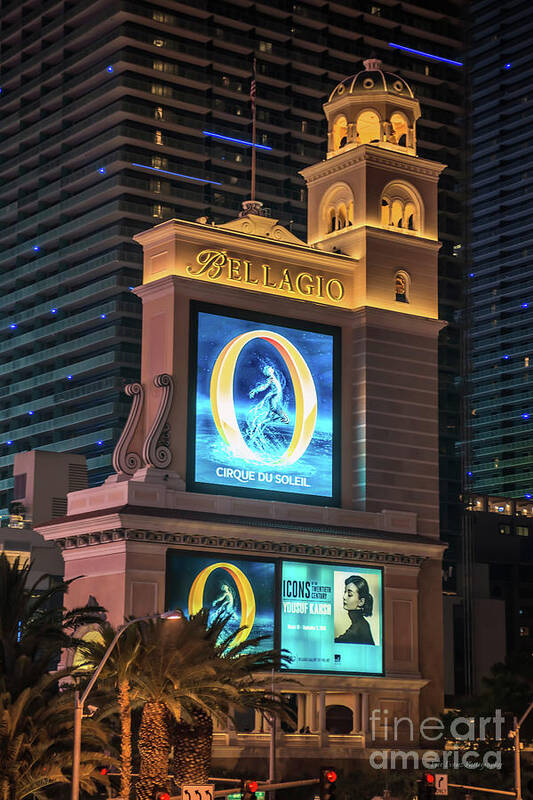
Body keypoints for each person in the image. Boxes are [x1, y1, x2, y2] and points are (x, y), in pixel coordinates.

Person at [334, 575, 375, 645]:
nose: (344, 597)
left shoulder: (358, 627)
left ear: (361, 601)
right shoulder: (361, 624)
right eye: (345, 592)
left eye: (350, 594)